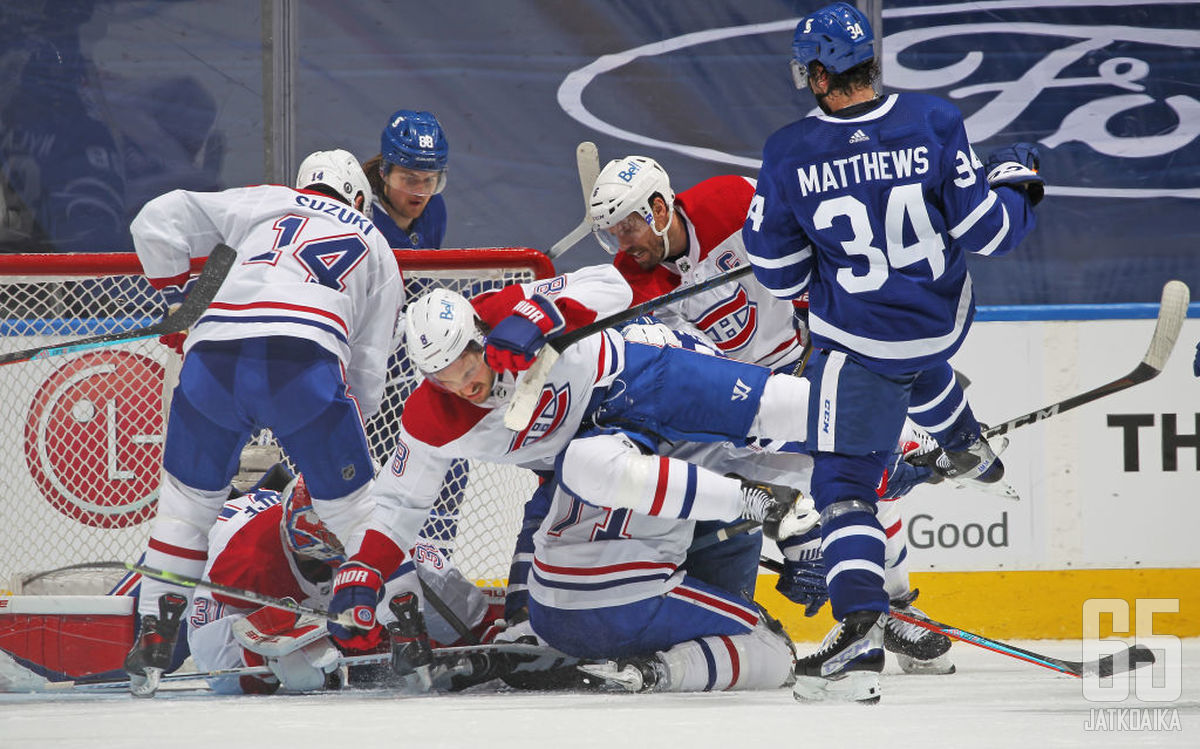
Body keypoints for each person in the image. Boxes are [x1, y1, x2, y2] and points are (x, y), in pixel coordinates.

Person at [743, 2, 1043, 703]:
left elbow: (780, 277)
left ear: (819, 74)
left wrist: (822, 256)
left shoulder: (790, 150)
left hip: (861, 343)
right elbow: (989, 231)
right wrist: (1022, 184)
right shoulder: (935, 120)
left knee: (843, 490)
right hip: (940, 321)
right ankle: (965, 441)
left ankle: (858, 633)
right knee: (915, 362)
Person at [322, 273, 821, 684]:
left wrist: (540, 315)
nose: (462, 385)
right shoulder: (433, 418)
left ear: (479, 333)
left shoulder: (507, 307)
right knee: (547, 583)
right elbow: (399, 506)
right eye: (441, 377)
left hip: (640, 380)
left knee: (777, 417)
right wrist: (365, 566)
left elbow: (614, 285)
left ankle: (886, 450)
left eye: (463, 363)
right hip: (586, 456)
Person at [122, 148, 404, 697]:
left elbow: (153, 220)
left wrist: (181, 302)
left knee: (184, 511)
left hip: (214, 359)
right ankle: (404, 626)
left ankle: (153, 641)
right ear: (360, 199)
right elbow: (368, 371)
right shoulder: (377, 244)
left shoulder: (265, 201)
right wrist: (341, 442)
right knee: (356, 510)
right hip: (303, 361)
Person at [185, 466, 500, 694]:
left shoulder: (368, 528)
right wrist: (262, 658)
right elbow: (215, 665)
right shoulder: (242, 561)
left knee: (414, 577)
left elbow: (428, 583)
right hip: (223, 542)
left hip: (303, 568)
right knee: (301, 670)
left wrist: (483, 636)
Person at [363, 109, 449, 250]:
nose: (420, 192)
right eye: (410, 179)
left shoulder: (435, 210)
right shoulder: (362, 222)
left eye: (429, 180)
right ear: (384, 172)